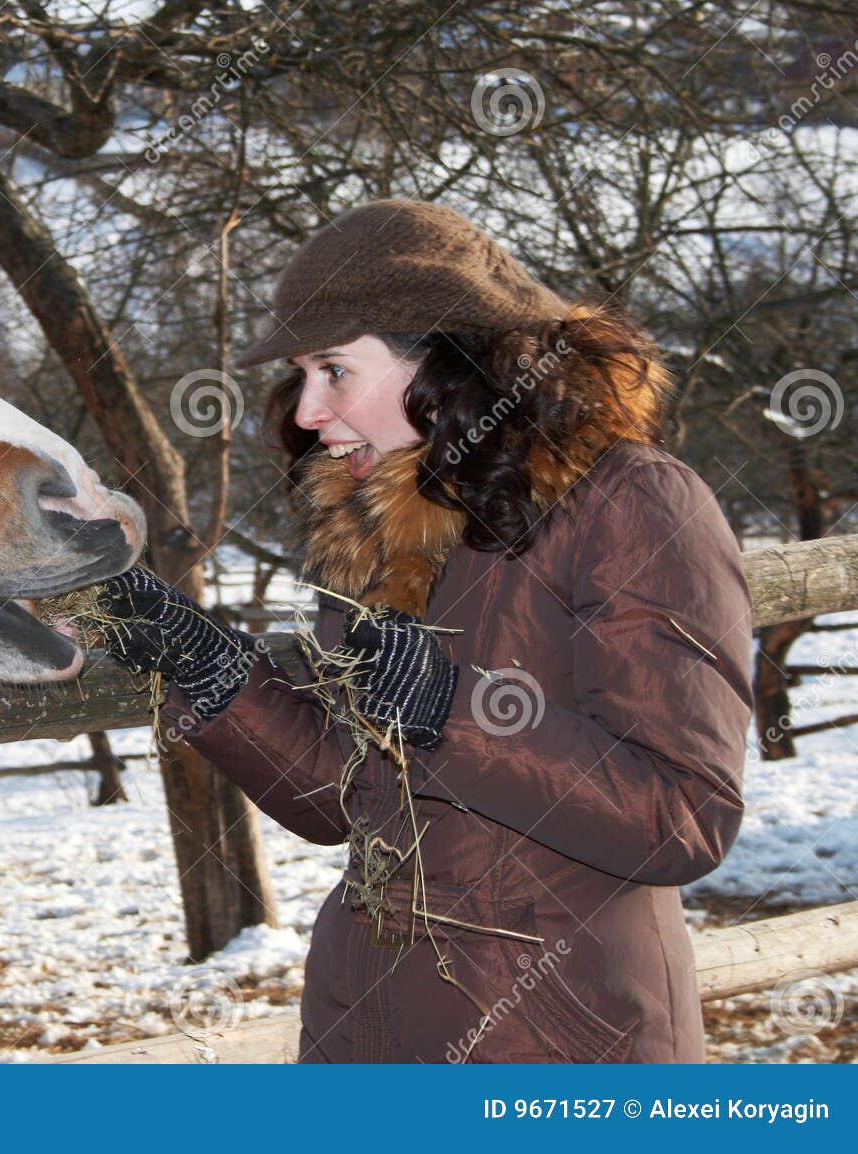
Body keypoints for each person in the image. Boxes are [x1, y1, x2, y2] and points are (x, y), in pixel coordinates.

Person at [92, 199, 754, 1063]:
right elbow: (344, 801)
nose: (305, 411)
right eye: (301, 376)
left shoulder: (633, 502)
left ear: (446, 356)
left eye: (333, 370)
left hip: (555, 1040)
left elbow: (684, 816)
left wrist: (457, 710)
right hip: (360, 1023)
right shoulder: (370, 529)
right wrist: (213, 672)